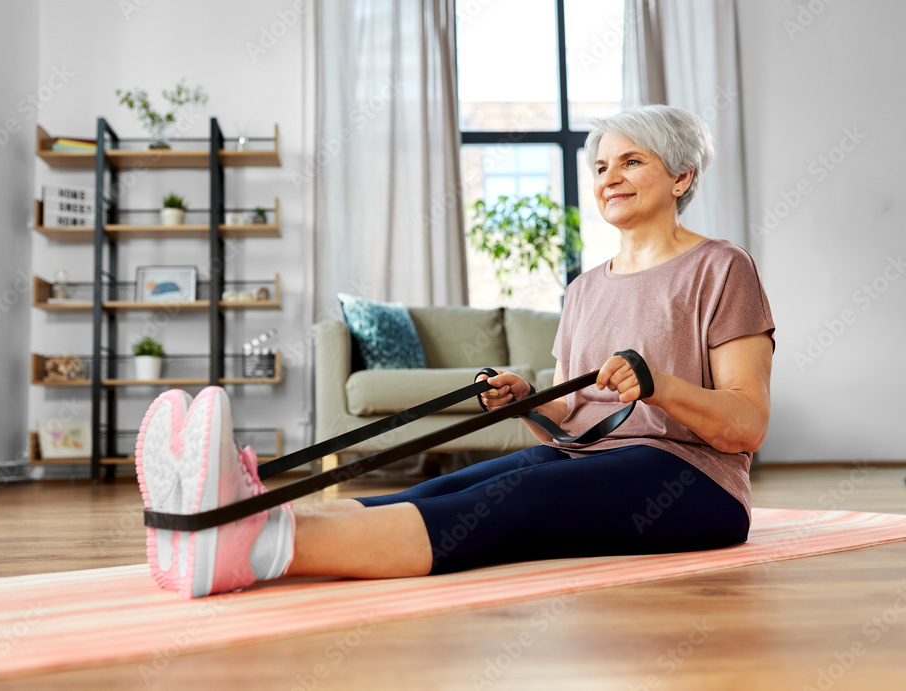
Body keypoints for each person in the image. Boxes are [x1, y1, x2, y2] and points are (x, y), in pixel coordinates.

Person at [136, 105, 776, 599]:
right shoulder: (583, 289)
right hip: (587, 459)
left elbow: (746, 425)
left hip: (693, 484)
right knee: (444, 489)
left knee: (511, 505)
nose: (610, 177)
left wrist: (658, 384)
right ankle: (226, 517)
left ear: (682, 175)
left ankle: (260, 546)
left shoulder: (721, 267)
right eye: (602, 166)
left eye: (632, 162)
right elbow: (571, 426)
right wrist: (527, 403)